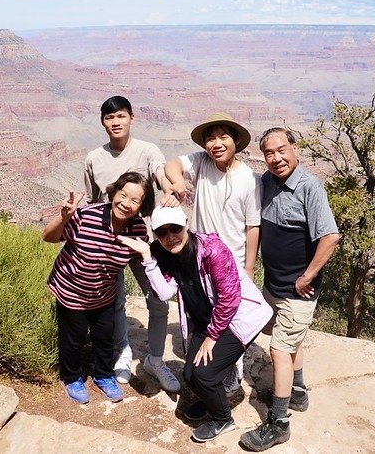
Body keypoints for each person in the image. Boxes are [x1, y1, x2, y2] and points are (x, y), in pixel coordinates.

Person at [118, 206, 272, 443]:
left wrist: (212, 337)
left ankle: (223, 419)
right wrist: (148, 258)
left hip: (237, 319)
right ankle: (213, 398)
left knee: (203, 375)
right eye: (162, 232)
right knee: (190, 375)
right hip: (207, 320)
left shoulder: (212, 250)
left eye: (175, 229)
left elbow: (229, 299)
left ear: (186, 224)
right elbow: (164, 292)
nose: (170, 237)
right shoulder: (164, 253)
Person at [240, 128, 340, 451]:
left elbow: (330, 237)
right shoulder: (266, 183)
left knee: (279, 350)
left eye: (281, 150)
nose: (276, 158)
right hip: (274, 286)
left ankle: (278, 423)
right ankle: (296, 392)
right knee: (287, 338)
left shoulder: (310, 187)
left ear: (294, 149)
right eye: (269, 153)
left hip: (298, 291)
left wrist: (308, 275)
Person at [84, 95, 180, 392]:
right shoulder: (93, 158)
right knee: (114, 301)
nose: (116, 122)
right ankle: (122, 352)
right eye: (110, 118)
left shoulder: (147, 150)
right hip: (107, 240)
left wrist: (170, 187)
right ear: (103, 122)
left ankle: (154, 359)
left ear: (131, 118)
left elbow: (161, 171)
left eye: (121, 116)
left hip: (142, 239)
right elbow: (90, 202)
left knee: (158, 298)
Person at [164, 112, 262, 394]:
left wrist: (250, 267)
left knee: (231, 320)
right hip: (199, 260)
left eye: (222, 136)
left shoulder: (249, 179)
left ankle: (234, 373)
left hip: (232, 263)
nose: (216, 143)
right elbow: (172, 164)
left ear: (236, 141)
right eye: (210, 137)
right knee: (203, 314)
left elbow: (253, 226)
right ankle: (205, 365)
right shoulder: (201, 162)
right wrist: (179, 182)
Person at [43, 171, 156, 404]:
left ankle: (103, 375)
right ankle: (72, 377)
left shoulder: (136, 229)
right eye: (123, 195)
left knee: (104, 338)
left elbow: (142, 256)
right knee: (72, 338)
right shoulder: (85, 216)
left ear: (142, 205)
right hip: (71, 290)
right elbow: (48, 237)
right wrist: (64, 217)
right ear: (113, 192)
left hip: (103, 293)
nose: (126, 204)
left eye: (135, 200)